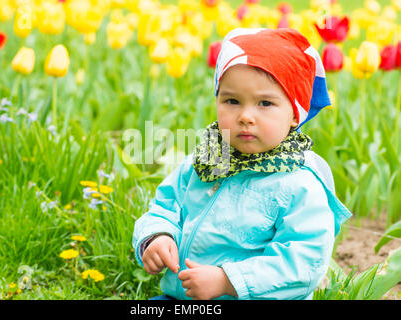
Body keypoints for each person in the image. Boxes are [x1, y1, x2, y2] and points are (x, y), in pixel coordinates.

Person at [132, 28, 352, 300]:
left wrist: (228, 281)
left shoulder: (299, 183)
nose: (246, 116)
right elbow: (166, 205)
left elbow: (302, 262)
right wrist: (158, 236)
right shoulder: (207, 159)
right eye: (232, 101)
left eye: (265, 103)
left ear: (295, 114)